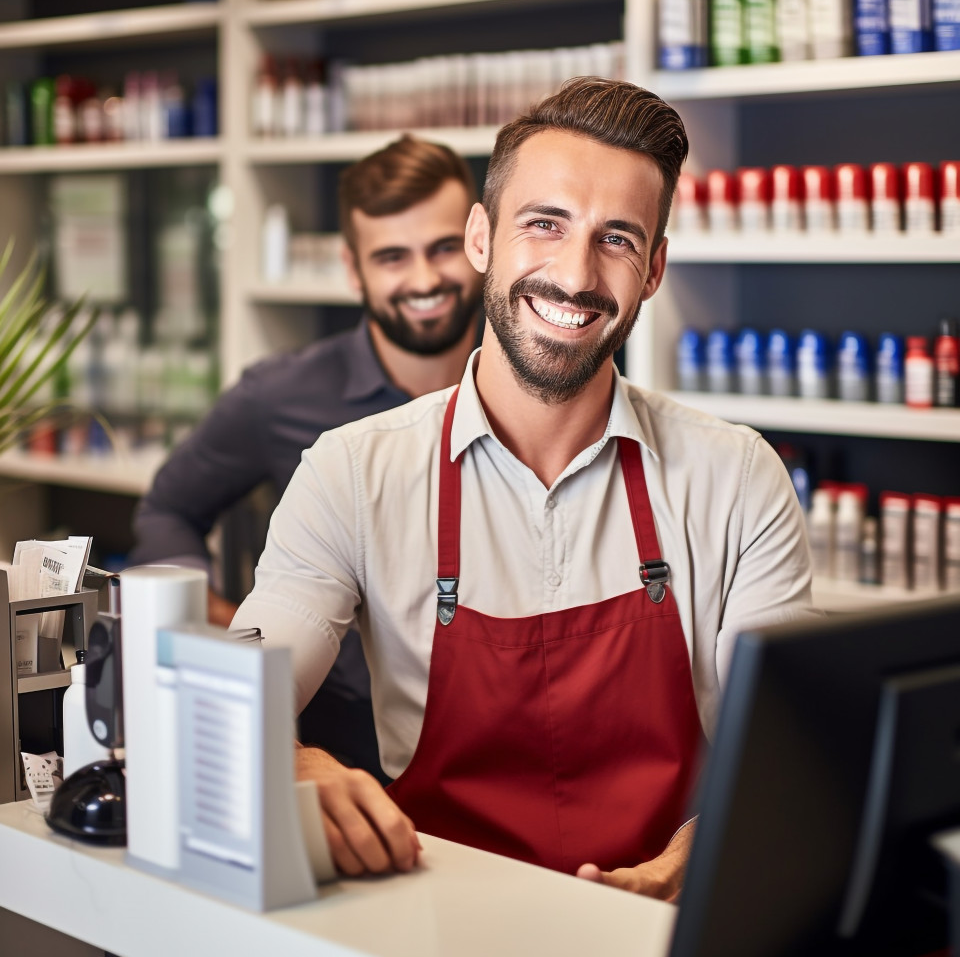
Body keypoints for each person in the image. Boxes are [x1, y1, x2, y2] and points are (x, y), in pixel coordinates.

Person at [231, 77, 815, 898]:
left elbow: (791, 747)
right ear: (482, 238)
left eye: (617, 239)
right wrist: (289, 759)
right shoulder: (353, 472)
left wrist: (720, 838)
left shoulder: (738, 476)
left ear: (653, 270)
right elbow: (238, 692)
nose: (575, 276)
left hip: (657, 929)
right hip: (432, 923)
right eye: (545, 224)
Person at [130, 135, 484, 780]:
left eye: (442, 248)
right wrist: (222, 619)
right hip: (342, 749)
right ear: (354, 270)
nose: (425, 279)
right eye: (392, 257)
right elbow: (167, 509)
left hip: (495, 734)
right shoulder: (280, 395)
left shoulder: (537, 383)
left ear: (481, 243)